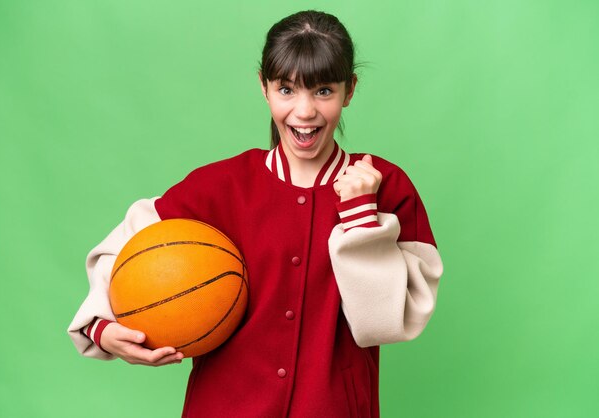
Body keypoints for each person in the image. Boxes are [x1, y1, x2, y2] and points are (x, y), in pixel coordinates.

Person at [68, 10, 443, 418]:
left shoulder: (388, 186)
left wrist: (359, 217)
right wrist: (101, 328)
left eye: (323, 91)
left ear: (349, 90)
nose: (304, 111)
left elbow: (387, 322)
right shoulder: (220, 186)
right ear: (263, 87)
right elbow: (126, 250)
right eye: (286, 90)